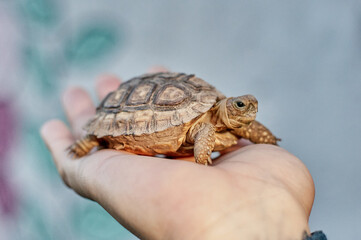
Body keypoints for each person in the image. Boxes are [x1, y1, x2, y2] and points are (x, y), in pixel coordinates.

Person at [40, 67, 326, 240]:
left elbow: (247, 129)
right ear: (226, 106)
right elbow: (204, 133)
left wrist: (267, 142)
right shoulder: (207, 125)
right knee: (97, 137)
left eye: (249, 107)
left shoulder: (229, 125)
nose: (247, 110)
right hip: (138, 108)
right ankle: (89, 138)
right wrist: (204, 165)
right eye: (239, 106)